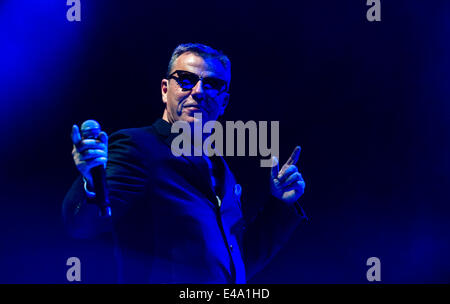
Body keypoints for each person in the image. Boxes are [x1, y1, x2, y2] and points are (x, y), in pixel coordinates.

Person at [62, 43, 307, 283]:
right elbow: (82, 225)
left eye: (212, 84)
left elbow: (236, 264)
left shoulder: (222, 169)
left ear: (223, 103)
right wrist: (93, 183)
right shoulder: (138, 147)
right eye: (186, 79)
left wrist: (280, 205)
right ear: (165, 89)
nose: (199, 91)